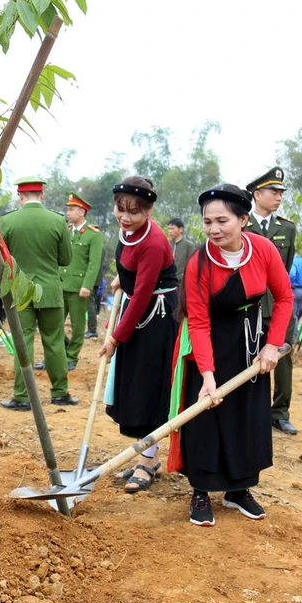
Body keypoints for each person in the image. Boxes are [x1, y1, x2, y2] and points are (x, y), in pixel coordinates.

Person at [167, 184, 293, 526]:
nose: (214, 229)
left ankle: (239, 490)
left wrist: (272, 344)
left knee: (247, 415)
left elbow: (283, 299)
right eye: (207, 222)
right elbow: (199, 321)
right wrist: (207, 376)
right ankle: (201, 491)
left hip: (250, 344)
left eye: (222, 220)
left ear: (243, 219)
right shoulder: (199, 263)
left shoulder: (264, 250)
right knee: (206, 416)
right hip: (208, 343)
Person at [97, 177, 178, 493]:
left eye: (135, 212)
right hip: (137, 310)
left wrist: (115, 338)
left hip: (155, 318)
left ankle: (147, 461)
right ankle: (147, 457)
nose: (126, 217)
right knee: (133, 388)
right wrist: (121, 278)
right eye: (121, 209)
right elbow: (132, 268)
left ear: (150, 210)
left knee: (148, 390)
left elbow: (144, 292)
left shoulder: (155, 241)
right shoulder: (129, 232)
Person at [0, 176, 75, 410]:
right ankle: (60, 393)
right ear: (42, 195)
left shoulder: (6, 222)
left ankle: (22, 396)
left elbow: (0, 256)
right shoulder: (57, 221)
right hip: (51, 290)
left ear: (20, 196)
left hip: (20, 291)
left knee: (24, 341)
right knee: (54, 342)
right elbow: (66, 258)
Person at [244, 167, 297, 435]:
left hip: (278, 306)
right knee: (248, 357)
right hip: (248, 305)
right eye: (273, 192)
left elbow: (283, 272)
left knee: (282, 358)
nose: (278, 197)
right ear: (257, 194)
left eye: (280, 193)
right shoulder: (241, 225)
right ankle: (252, 412)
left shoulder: (286, 229)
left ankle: (280, 413)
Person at [60, 193, 103, 372]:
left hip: (79, 287)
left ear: (82, 212)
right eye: (67, 210)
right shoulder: (66, 231)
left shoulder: (94, 235)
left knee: (78, 326)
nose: (68, 213)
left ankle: (71, 357)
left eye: (71, 210)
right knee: (53, 324)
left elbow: (93, 264)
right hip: (61, 284)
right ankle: (58, 355)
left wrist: (87, 285)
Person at [166, 217, 197, 283]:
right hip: (167, 281)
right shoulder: (167, 244)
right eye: (169, 229)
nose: (170, 231)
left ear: (181, 229)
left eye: (172, 229)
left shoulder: (189, 245)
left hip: (182, 281)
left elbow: (192, 264)